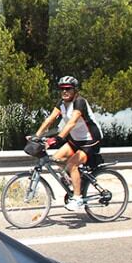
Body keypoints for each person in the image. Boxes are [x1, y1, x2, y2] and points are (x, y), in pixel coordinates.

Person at [31, 76, 103, 212]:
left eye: (68, 89)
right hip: (75, 140)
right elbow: (50, 119)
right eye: (62, 89)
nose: (64, 91)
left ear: (75, 90)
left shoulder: (79, 102)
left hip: (90, 140)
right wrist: (36, 135)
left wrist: (57, 139)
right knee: (56, 158)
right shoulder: (62, 104)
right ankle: (75, 179)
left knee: (72, 164)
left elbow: (71, 123)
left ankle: (77, 198)